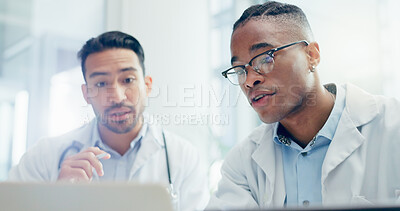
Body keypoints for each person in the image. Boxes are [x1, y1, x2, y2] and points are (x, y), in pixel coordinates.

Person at [207, 1, 400, 209]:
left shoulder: (393, 127)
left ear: (311, 56)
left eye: (264, 58)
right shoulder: (242, 163)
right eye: (239, 70)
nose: (248, 80)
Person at [8, 31, 209, 211]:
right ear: (86, 94)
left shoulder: (183, 158)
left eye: (128, 80)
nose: (118, 97)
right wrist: (57, 200)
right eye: (101, 83)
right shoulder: (44, 157)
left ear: (147, 86)